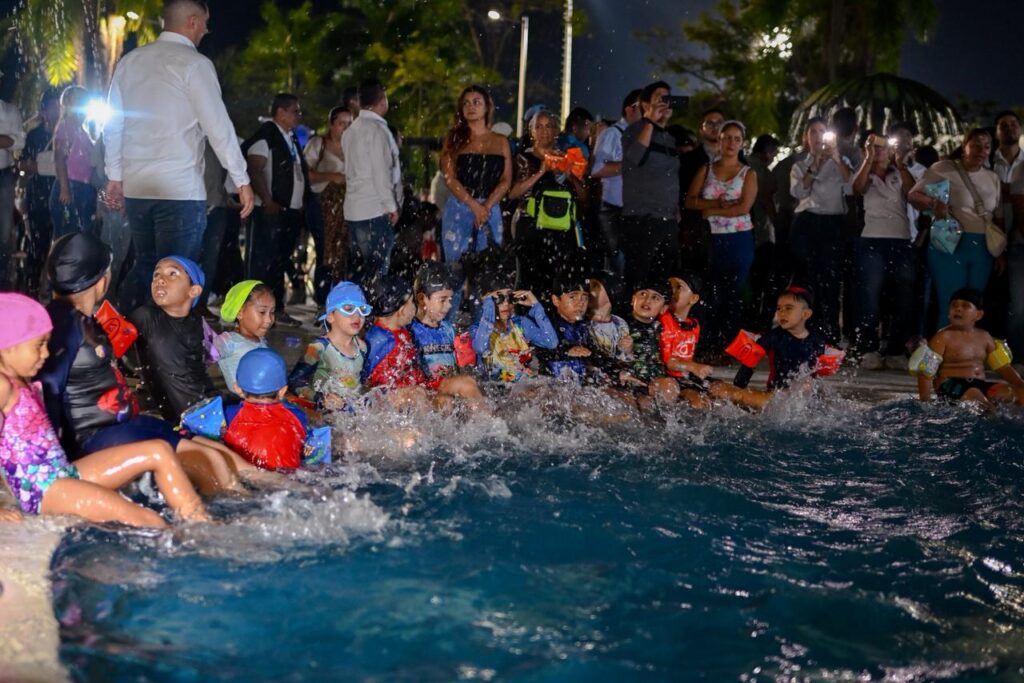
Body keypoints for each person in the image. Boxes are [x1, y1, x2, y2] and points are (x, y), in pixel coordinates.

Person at [37, 233, 245, 496]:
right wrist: (54, 459)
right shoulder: (66, 324)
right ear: (102, 281)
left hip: (122, 425)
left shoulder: (85, 321)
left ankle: (250, 499)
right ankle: (229, 516)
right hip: (94, 436)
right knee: (207, 462)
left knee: (215, 454)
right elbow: (48, 390)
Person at [0, 292, 210, 527]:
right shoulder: (2, 385)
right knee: (150, 520)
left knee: (158, 451)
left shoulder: (19, 381)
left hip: (61, 473)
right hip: (44, 490)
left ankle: (202, 524)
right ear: (8, 347)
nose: (46, 354)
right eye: (38, 346)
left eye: (46, 344)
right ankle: (192, 541)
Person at [104, 0, 253, 313]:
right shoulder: (194, 64)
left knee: (147, 266)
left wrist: (114, 177)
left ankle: (122, 332)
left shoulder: (130, 61)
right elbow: (218, 127)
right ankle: (165, 346)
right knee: (178, 273)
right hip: (180, 190)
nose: (207, 30)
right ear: (193, 21)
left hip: (139, 188)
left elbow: (113, 125)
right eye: (205, 23)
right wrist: (241, 178)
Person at [909, 128, 1001, 328]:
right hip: (949, 242)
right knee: (950, 305)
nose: (982, 151)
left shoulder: (992, 177)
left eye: (987, 147)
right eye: (976, 145)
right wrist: (934, 204)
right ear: (964, 145)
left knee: (973, 308)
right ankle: (941, 357)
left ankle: (967, 356)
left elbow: (996, 214)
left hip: (983, 247)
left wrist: (1000, 251)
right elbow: (913, 195)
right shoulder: (943, 168)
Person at [439, 86, 512, 322]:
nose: (471, 107)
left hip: (490, 208)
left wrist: (486, 206)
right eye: (467, 102)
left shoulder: (500, 141)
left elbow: (506, 179)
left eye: (476, 102)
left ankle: (484, 332)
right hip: (460, 208)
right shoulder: (454, 139)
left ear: (487, 106)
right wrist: (473, 205)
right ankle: (447, 331)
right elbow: (449, 177)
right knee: (455, 272)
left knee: (488, 274)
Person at [685, 120, 757, 354]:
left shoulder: (748, 173)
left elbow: (743, 208)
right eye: (728, 137)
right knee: (710, 292)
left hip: (739, 238)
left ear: (742, 144)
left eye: (737, 139)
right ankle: (707, 343)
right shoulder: (706, 169)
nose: (731, 143)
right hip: (711, 238)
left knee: (733, 293)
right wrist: (717, 203)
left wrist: (711, 210)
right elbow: (690, 201)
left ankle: (729, 346)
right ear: (720, 140)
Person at [850, 131, 916, 370]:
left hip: (900, 239)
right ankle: (869, 348)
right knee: (869, 296)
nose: (878, 150)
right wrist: (867, 158)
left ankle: (896, 349)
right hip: (871, 240)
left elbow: (913, 195)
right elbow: (856, 188)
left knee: (903, 296)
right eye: (873, 146)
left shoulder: (901, 173)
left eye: (882, 146)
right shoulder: (865, 173)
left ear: (891, 149)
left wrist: (902, 166)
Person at [243, 94, 308, 327]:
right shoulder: (267, 136)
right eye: (295, 111)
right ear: (281, 112)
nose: (298, 116)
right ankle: (257, 310)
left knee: (279, 261)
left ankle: (275, 308)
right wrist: (267, 199)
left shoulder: (288, 138)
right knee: (264, 262)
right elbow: (254, 168)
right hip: (269, 210)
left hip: (288, 211)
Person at [509, 110, 586, 298]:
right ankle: (524, 322)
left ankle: (552, 322)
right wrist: (540, 172)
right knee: (527, 279)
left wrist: (570, 175)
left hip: (561, 227)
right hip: (531, 225)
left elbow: (584, 197)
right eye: (539, 127)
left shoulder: (569, 158)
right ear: (531, 132)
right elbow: (513, 193)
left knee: (558, 280)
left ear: (557, 131)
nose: (544, 131)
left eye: (549, 126)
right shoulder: (522, 158)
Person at [712, 287, 830, 410]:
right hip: (775, 397)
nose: (782, 313)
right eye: (779, 308)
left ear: (806, 314)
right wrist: (737, 390)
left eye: (788, 308)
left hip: (803, 398)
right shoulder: (773, 338)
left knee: (809, 389)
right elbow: (749, 365)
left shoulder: (818, 341)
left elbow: (817, 373)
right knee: (734, 393)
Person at [129, 256, 217, 421]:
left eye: (172, 274)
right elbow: (110, 342)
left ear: (194, 291)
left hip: (207, 407)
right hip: (185, 418)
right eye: (156, 275)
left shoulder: (198, 323)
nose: (160, 280)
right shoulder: (145, 318)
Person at [789, 117, 853, 343]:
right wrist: (814, 164)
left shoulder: (841, 161)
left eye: (822, 132)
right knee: (807, 278)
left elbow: (852, 187)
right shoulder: (800, 164)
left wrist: (835, 158)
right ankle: (806, 333)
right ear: (806, 137)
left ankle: (831, 334)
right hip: (807, 223)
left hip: (833, 224)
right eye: (813, 132)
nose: (818, 137)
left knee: (832, 280)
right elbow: (798, 193)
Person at [913, 288, 1024, 408]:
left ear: (978, 314)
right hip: (951, 385)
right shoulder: (943, 337)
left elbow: (1003, 368)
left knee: (1019, 396)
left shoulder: (984, 337)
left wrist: (1020, 385)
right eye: (954, 305)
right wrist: (925, 402)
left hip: (980, 385)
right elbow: (925, 373)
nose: (958, 309)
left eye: (965, 306)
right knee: (984, 407)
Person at [621, 82, 682, 292]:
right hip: (642, 219)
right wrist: (649, 120)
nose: (664, 103)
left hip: (667, 220)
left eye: (667, 99)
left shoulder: (670, 137)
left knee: (662, 281)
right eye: (659, 98)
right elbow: (634, 157)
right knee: (638, 282)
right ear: (645, 103)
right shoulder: (634, 130)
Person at [343, 78, 402, 286]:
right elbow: (381, 173)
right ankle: (373, 313)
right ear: (382, 100)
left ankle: (356, 312)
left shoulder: (351, 131)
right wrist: (391, 206)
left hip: (353, 208)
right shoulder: (377, 130)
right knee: (377, 271)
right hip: (374, 209)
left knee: (359, 271)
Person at [224, 348, 321, 470]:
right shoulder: (298, 416)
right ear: (282, 391)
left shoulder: (227, 416)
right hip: (290, 481)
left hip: (246, 478)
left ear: (237, 388)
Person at [409, 262, 485, 401]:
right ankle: (491, 423)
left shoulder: (448, 329)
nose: (449, 305)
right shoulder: (411, 331)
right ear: (422, 299)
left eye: (450, 299)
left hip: (448, 388)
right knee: (460, 390)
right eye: (442, 300)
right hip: (427, 392)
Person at [470, 262, 556, 383]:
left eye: (509, 297)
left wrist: (536, 306)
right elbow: (480, 348)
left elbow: (551, 342)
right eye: (499, 298)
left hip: (525, 390)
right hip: (496, 394)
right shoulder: (477, 330)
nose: (506, 303)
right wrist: (488, 302)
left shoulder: (521, 324)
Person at [289, 281, 369, 409]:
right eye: (348, 309)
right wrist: (320, 398)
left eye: (362, 310)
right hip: (324, 414)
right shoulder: (318, 348)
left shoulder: (363, 348)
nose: (357, 316)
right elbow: (294, 382)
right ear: (330, 317)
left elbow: (362, 384)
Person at [590, 89, 643, 275]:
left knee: (634, 264)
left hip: (637, 210)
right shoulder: (613, 134)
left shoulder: (644, 136)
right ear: (629, 109)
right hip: (615, 210)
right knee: (618, 264)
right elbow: (596, 169)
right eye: (641, 106)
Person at [17, 88, 61, 293]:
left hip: (61, 191)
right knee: (39, 241)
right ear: (43, 110)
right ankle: (32, 284)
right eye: (53, 107)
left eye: (59, 107)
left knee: (60, 242)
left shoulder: (67, 132)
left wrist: (41, 165)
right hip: (39, 192)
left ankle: (57, 288)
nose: (57, 111)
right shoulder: (35, 135)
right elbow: (24, 164)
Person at [304, 106, 351, 294]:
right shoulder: (318, 144)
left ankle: (341, 295)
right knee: (326, 249)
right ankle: (322, 297)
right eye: (341, 124)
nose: (345, 129)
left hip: (347, 207)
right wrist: (332, 176)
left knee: (344, 252)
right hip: (322, 204)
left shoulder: (354, 148)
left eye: (349, 124)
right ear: (331, 125)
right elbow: (305, 174)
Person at [678, 108, 726, 274]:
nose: (715, 127)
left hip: (729, 227)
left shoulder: (737, 157)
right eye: (710, 123)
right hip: (698, 227)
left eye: (719, 123)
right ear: (701, 129)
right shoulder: (688, 160)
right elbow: (683, 195)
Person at [659, 274, 716, 406]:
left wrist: (696, 368)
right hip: (668, 378)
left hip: (685, 376)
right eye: (670, 286)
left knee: (720, 393)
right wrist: (693, 366)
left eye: (679, 287)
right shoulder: (663, 319)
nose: (672, 290)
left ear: (694, 298)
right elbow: (669, 362)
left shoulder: (694, 325)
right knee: (696, 401)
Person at [50, 85, 97, 237]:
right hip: (71, 187)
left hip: (81, 188)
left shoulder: (80, 129)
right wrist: (65, 189)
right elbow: (59, 158)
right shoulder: (67, 127)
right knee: (68, 240)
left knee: (76, 238)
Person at [213, 280, 273, 395]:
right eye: (262, 312)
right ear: (240, 313)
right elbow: (196, 362)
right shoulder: (228, 342)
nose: (269, 319)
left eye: (272, 312)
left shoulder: (262, 341)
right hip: (242, 404)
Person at [0, 81, 25, 288]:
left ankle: (3, 281)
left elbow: (19, 141)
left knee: (4, 231)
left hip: (3, 176)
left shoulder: (10, 111)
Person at [587, 276, 632, 361]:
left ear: (611, 295)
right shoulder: (583, 321)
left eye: (596, 286)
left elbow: (625, 359)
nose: (589, 290)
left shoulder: (620, 323)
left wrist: (628, 350)